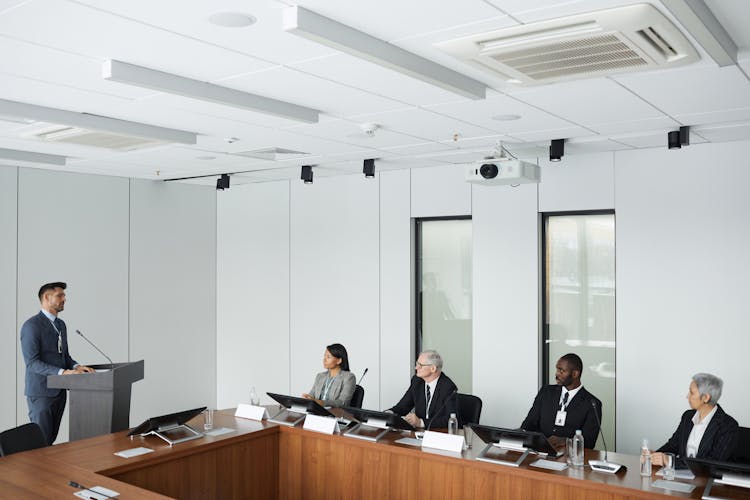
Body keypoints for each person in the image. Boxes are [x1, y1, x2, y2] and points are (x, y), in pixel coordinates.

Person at [20, 282, 94, 445]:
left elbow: (64, 355)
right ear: (46, 297)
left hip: (59, 392)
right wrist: (63, 372)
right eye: (59, 295)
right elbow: (32, 363)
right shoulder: (31, 326)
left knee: (50, 441)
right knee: (41, 443)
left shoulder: (61, 325)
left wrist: (75, 366)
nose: (64, 299)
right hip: (41, 393)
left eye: (64, 296)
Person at [651, 373, 738, 466]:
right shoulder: (688, 416)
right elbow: (673, 445)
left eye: (691, 392)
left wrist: (670, 461)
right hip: (681, 476)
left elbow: (713, 463)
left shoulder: (728, 425)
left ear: (705, 398)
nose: (687, 396)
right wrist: (654, 456)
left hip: (708, 479)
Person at [521, 353, 601, 448]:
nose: (556, 374)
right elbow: (528, 425)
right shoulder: (546, 392)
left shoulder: (592, 403)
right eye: (557, 369)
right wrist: (513, 436)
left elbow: (589, 442)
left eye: (561, 371)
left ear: (575, 374)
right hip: (540, 452)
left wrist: (566, 441)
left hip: (570, 457)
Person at [389, 349, 457, 429]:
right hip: (419, 434)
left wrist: (421, 422)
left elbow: (450, 419)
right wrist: (388, 413)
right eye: (417, 364)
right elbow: (403, 407)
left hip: (438, 434)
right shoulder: (417, 381)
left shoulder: (448, 387)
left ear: (433, 368)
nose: (416, 367)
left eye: (420, 365)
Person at [302, 343, 356, 408]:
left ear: (339, 360)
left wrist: (320, 402)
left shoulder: (349, 377)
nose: (324, 360)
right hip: (316, 413)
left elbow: (342, 403)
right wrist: (307, 398)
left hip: (334, 416)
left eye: (328, 357)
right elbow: (312, 396)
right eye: (324, 356)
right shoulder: (320, 376)